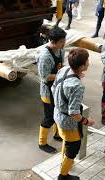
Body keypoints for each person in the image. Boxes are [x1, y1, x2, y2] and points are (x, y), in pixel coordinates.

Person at [52, 48, 95, 180]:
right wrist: (87, 121)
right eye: (87, 61)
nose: (88, 62)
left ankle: (64, 164)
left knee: (68, 142)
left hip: (57, 114)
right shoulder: (77, 86)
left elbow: (54, 87)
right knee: (74, 147)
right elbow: (74, 112)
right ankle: (63, 175)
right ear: (82, 66)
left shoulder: (64, 70)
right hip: (68, 122)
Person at [37, 26, 66, 154]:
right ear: (54, 41)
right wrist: (63, 74)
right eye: (62, 41)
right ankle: (42, 142)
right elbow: (44, 77)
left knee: (57, 112)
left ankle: (57, 135)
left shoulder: (60, 50)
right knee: (49, 117)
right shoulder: (44, 56)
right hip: (47, 91)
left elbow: (61, 66)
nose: (64, 43)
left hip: (57, 88)